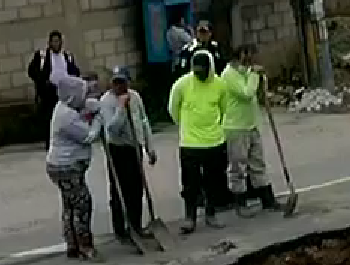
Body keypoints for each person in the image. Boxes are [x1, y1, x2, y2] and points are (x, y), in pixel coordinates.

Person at [168, 49, 229, 233]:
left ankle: (211, 214)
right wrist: (185, 126)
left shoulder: (220, 85)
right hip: (190, 144)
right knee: (190, 184)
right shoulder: (182, 84)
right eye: (196, 71)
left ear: (209, 68)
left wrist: (215, 128)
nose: (199, 74)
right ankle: (190, 217)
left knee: (213, 182)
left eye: (203, 71)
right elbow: (173, 109)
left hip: (214, 142)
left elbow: (223, 109)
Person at [97, 66, 157, 248]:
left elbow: (143, 121)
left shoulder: (135, 97)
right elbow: (112, 129)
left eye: (122, 82)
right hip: (117, 149)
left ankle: (136, 225)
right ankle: (121, 229)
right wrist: (122, 108)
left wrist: (149, 147)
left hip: (134, 148)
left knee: (136, 189)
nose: (118, 86)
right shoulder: (106, 101)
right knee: (119, 190)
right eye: (115, 82)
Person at [45, 75, 104, 260]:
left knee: (70, 205)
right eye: (81, 93)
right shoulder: (66, 117)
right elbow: (89, 136)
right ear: (72, 95)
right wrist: (98, 121)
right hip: (66, 167)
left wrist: (93, 106)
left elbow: (84, 108)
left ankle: (72, 245)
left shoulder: (65, 107)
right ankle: (85, 246)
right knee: (82, 204)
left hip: (61, 166)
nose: (84, 96)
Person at [221, 47, 280, 214]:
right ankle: (240, 203)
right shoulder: (229, 75)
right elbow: (247, 93)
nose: (249, 60)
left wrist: (260, 77)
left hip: (251, 124)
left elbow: (257, 92)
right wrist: (254, 75)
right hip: (236, 127)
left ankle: (267, 200)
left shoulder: (243, 72)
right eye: (245, 57)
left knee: (258, 163)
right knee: (238, 166)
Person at [27, 31, 80, 149]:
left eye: (58, 41)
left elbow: (75, 72)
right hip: (49, 93)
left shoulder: (67, 56)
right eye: (54, 41)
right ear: (50, 43)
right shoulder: (42, 56)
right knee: (50, 119)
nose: (56, 44)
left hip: (64, 93)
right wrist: (43, 83)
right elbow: (32, 71)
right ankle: (51, 143)